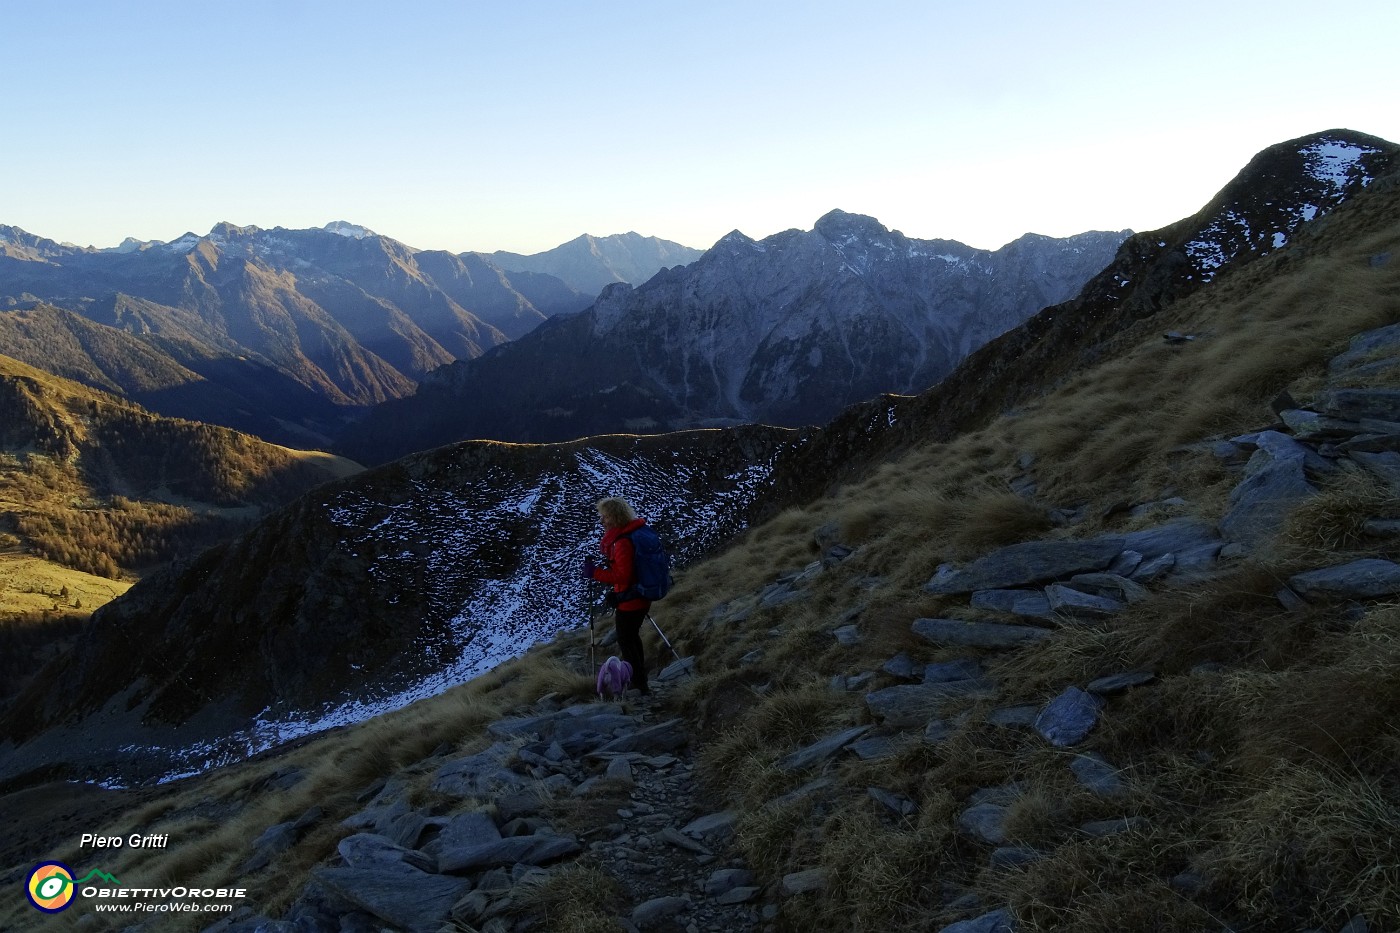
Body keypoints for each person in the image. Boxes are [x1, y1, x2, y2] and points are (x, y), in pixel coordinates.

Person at [582, 496, 651, 696]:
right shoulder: (633, 533)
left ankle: (638, 684)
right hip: (639, 596)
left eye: (605, 516)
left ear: (615, 517)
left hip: (631, 601)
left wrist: (594, 572)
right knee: (632, 639)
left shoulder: (622, 542)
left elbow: (623, 575)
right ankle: (640, 680)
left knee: (626, 641)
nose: (601, 521)